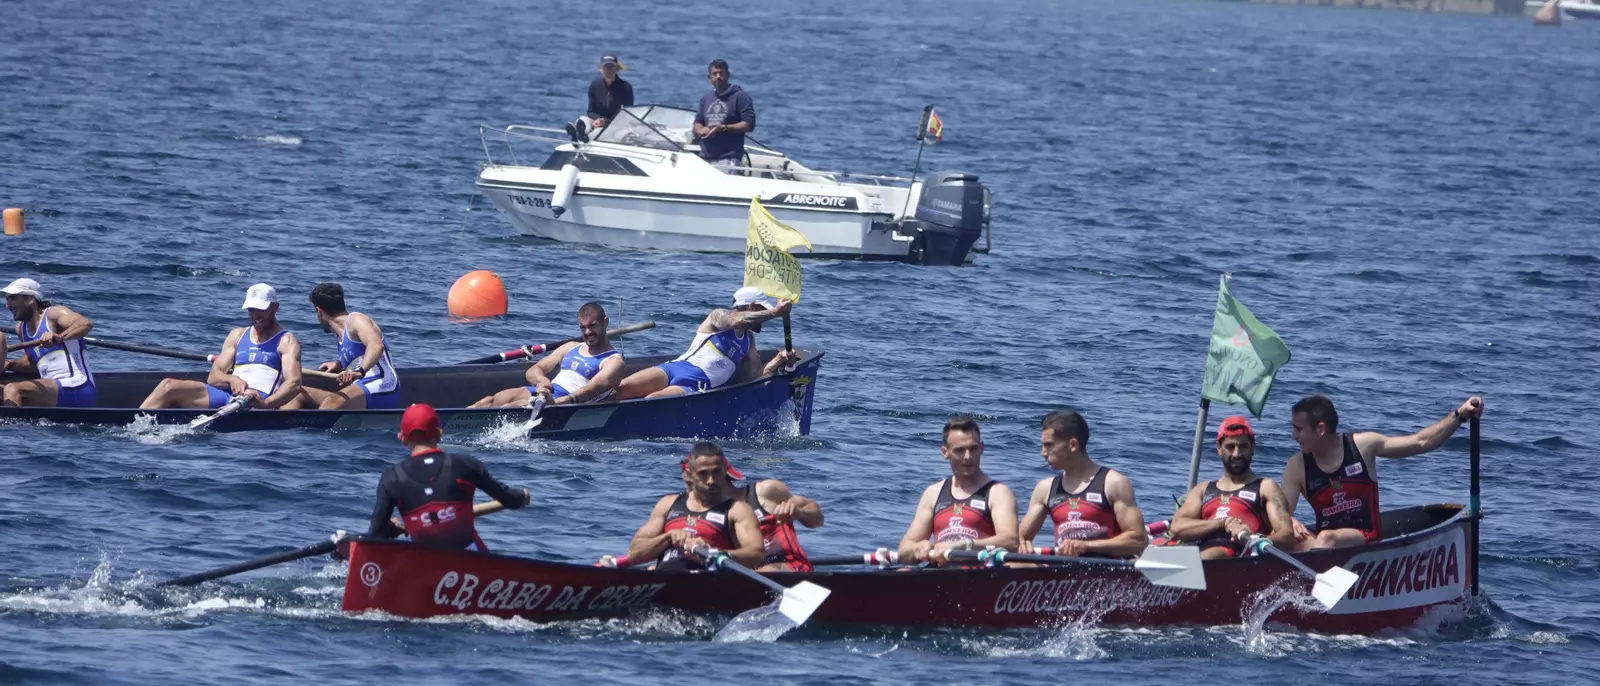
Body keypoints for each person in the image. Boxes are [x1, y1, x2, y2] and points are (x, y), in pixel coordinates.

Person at [1279, 394, 1485, 551]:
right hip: (1325, 544)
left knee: (1326, 538)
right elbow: (1280, 514)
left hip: (1365, 537)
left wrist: (1459, 415)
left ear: (1320, 429)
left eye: (1298, 429)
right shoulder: (1297, 466)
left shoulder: (1363, 446)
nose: (1292, 436)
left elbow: (1421, 442)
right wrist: (1290, 521)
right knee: (1283, 538)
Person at [365, 404, 530, 551]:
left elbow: (375, 536)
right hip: (473, 564)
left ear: (402, 438)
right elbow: (511, 500)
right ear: (439, 434)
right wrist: (522, 496)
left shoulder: (391, 478)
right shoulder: (465, 465)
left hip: (424, 567)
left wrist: (390, 528)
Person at [612, 286, 798, 400]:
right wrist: (774, 313)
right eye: (761, 310)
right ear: (751, 307)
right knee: (620, 389)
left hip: (696, 386)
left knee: (652, 400)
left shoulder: (749, 341)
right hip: (675, 368)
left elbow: (755, 375)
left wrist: (780, 359)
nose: (764, 319)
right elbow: (734, 320)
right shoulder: (718, 317)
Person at [139, 284, 305, 410]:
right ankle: (131, 424)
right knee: (168, 385)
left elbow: (294, 384)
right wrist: (232, 379)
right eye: (251, 308)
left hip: (256, 401)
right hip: (226, 396)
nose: (255, 314)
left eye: (260, 309)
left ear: (275, 308)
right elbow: (214, 377)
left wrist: (265, 403)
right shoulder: (237, 335)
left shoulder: (286, 341)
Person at [1017, 411, 1148, 558]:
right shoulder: (1045, 488)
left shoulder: (1113, 483)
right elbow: (1019, 539)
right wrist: (1022, 546)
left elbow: (1138, 541)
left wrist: (1085, 546)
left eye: (1048, 445)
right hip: (1062, 567)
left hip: (1106, 567)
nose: (1043, 453)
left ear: (1073, 445)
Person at [1167, 416, 1295, 559]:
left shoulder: (1265, 487)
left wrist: (1254, 539)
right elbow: (1177, 528)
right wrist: (1222, 524)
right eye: (1230, 447)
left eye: (1243, 446)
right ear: (1219, 448)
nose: (1236, 454)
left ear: (1253, 447)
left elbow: (1287, 536)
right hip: (1203, 555)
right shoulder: (1203, 489)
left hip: (1240, 556)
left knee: (1211, 555)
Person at [625, 441, 765, 571]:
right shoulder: (667, 504)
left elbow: (757, 555)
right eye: (703, 473)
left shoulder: (738, 510)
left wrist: (713, 553)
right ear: (689, 475)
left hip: (710, 582)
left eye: (716, 472)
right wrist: (667, 538)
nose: (711, 480)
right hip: (664, 579)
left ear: (725, 471)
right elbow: (635, 554)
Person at [897, 416, 1019, 564]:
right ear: (945, 452)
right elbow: (903, 551)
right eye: (960, 450)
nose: (968, 457)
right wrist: (917, 548)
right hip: (939, 572)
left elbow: (1011, 542)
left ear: (981, 448)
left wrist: (964, 545)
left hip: (980, 573)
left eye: (973, 449)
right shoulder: (933, 493)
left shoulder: (998, 493)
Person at [470, 302, 624, 408]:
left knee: (510, 407)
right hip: (546, 393)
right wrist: (541, 381)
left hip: (565, 404)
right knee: (489, 402)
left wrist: (555, 403)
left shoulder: (613, 361)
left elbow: (589, 392)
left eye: (592, 326)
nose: (588, 332)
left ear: (605, 323)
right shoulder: (571, 347)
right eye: (583, 328)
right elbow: (534, 370)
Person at [298, 282, 401, 410]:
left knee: (332, 402)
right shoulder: (338, 333)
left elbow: (376, 345)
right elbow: (359, 354)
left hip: (384, 386)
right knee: (298, 394)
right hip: (362, 387)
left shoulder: (356, 320)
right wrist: (340, 364)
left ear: (319, 311)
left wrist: (359, 371)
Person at [1, 278, 97, 407]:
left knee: (13, 389)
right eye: (7, 299)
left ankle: (11, 421)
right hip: (52, 390)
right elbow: (34, 363)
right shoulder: (21, 329)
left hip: (79, 386)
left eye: (13, 298)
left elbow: (85, 324)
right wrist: (11, 364)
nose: (8, 305)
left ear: (30, 299)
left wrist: (59, 337)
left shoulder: (53, 314)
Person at [692, 59, 756, 174]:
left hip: (729, 158)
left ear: (728, 75)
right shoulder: (706, 99)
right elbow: (698, 122)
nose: (718, 76)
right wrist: (700, 130)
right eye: (715, 74)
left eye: (721, 73)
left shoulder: (740, 97)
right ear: (709, 78)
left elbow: (749, 124)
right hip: (705, 158)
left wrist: (724, 128)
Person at [585, 52, 634, 130]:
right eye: (606, 67)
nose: (609, 70)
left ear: (617, 69)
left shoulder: (626, 87)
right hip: (598, 123)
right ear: (601, 69)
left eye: (611, 67)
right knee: (583, 121)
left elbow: (627, 114)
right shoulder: (595, 85)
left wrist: (606, 121)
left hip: (618, 126)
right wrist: (598, 119)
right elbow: (590, 111)